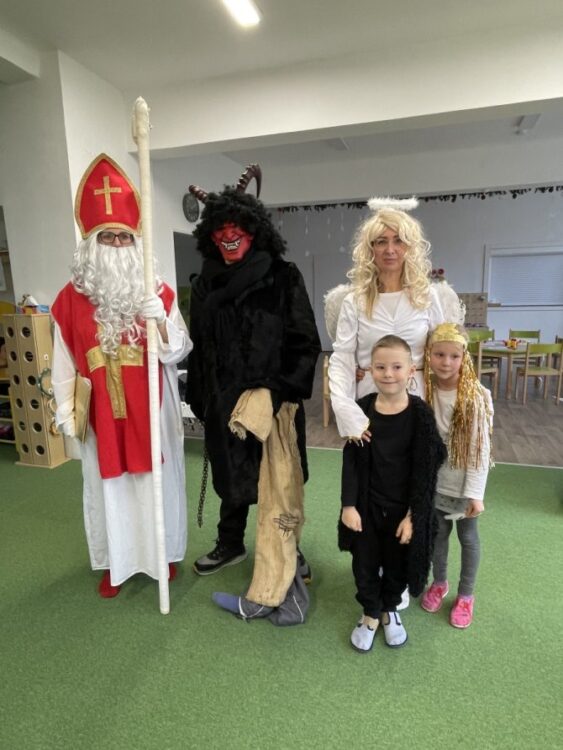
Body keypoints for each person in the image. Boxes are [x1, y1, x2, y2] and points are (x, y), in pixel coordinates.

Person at [51, 153, 192, 598]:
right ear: (90, 243)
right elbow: (63, 362)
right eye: (107, 236)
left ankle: (161, 556)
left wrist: (162, 320)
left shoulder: (158, 292)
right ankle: (117, 563)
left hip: (151, 411)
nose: (115, 244)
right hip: (102, 417)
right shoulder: (68, 301)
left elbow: (179, 350)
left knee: (155, 486)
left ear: (135, 240)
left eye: (123, 236)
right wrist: (66, 411)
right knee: (108, 490)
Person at [186, 165, 321, 622]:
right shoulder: (205, 284)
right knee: (232, 480)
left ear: (254, 229)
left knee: (279, 480)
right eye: (220, 228)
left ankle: (289, 548)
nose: (228, 235)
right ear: (210, 234)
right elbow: (199, 344)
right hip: (223, 401)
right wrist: (202, 398)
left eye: (236, 227)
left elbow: (305, 341)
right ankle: (231, 544)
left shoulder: (283, 276)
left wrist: (279, 391)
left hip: (274, 403)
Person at [339, 335, 447, 652]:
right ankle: (370, 612)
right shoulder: (361, 410)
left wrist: (414, 516)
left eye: (397, 367)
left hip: (403, 511)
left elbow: (427, 469)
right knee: (364, 563)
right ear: (370, 369)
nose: (388, 374)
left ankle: (389, 609)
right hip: (366, 507)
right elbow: (351, 461)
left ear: (411, 371)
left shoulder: (420, 415)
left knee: (397, 565)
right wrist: (348, 505)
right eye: (381, 367)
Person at [328, 197, 457, 442]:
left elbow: (444, 350)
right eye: (381, 241)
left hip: (416, 398)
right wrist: (346, 411)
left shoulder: (427, 296)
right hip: (370, 399)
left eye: (398, 240)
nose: (390, 249)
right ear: (370, 249)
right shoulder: (355, 301)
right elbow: (342, 358)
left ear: (410, 248)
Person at [420, 322, 493, 628]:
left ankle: (465, 595)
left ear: (465, 358)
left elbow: (480, 449)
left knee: (468, 538)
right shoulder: (425, 389)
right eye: (439, 354)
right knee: (437, 534)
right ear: (429, 354)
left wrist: (475, 493)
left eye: (454, 356)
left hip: (464, 484)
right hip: (437, 481)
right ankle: (439, 583)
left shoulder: (474, 396)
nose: (446, 362)